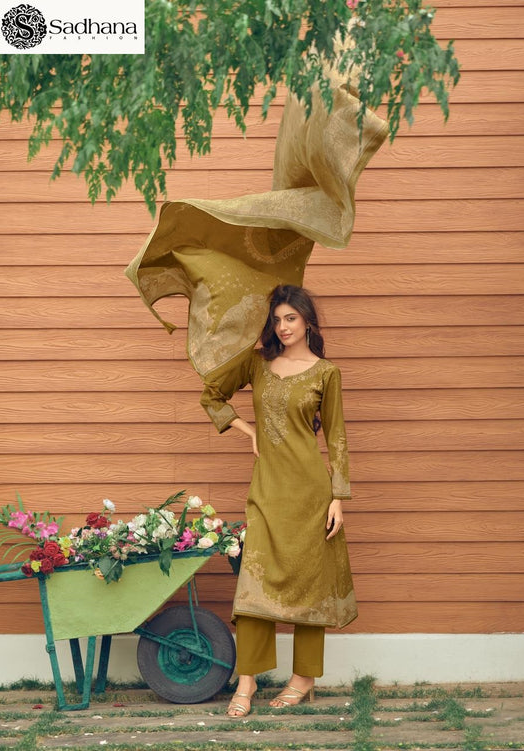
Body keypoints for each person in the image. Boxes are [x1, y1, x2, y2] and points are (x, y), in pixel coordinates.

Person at [200, 284, 357, 717]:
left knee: (310, 585)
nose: (283, 326)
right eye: (277, 319)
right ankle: (247, 681)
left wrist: (338, 497)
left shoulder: (326, 373)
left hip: (311, 493)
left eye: (291, 318)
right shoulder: (257, 362)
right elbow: (212, 393)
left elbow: (337, 437)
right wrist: (246, 429)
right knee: (253, 587)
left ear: (307, 321)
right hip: (267, 490)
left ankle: (303, 678)